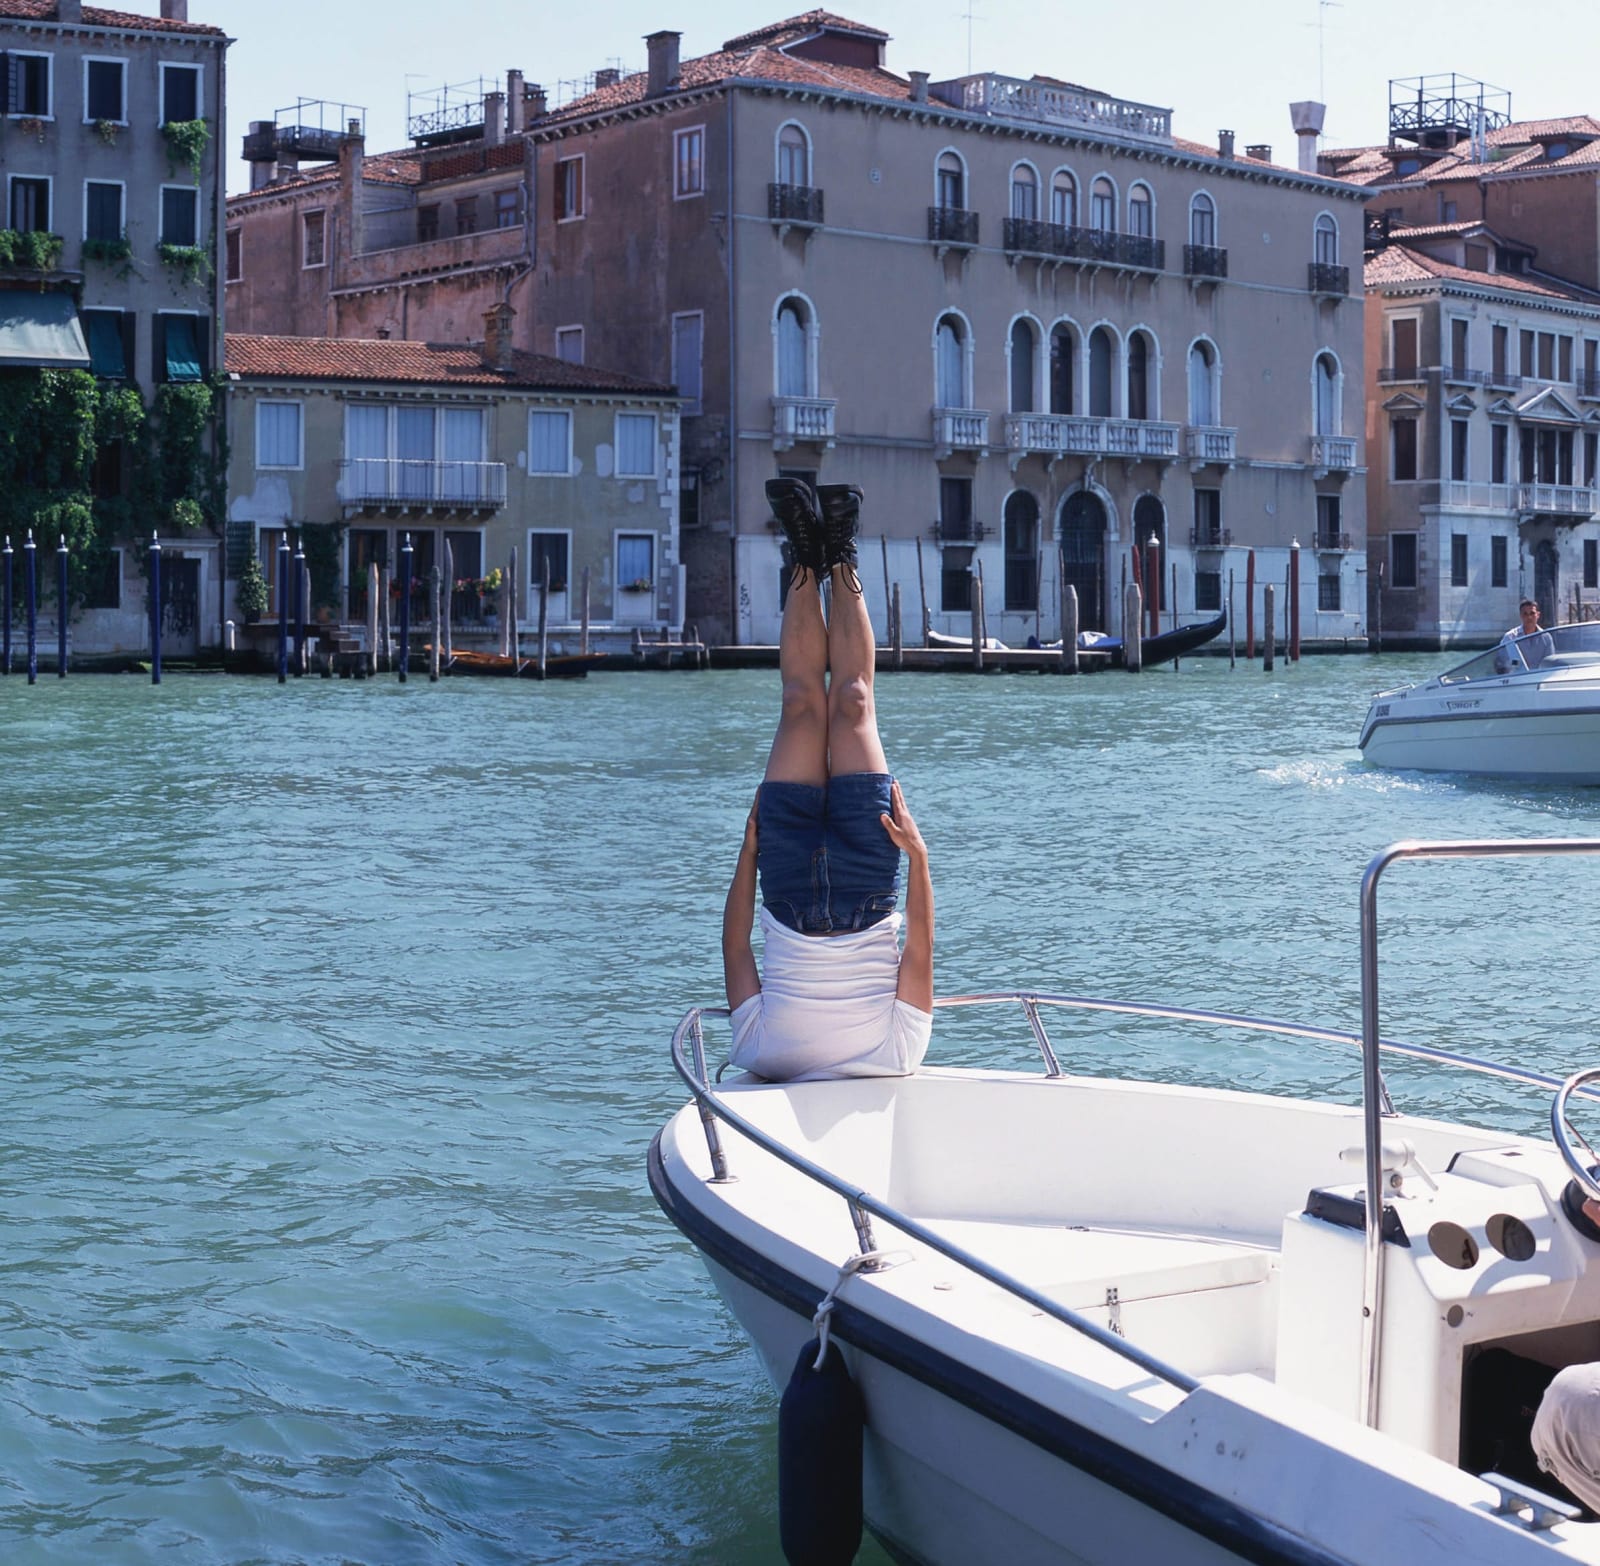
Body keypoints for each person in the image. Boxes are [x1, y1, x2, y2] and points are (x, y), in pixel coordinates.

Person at [721, 478, 934, 1082]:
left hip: (784, 879)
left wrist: (747, 852)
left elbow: (736, 947)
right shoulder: (897, 1058)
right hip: (870, 874)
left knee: (798, 703)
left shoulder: (760, 1057)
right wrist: (917, 859)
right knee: (854, 701)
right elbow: (918, 948)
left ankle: (802, 556)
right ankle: (839, 552)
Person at [1498, 599, 1554, 671]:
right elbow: (1503, 661)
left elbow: (1549, 662)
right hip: (1517, 678)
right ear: (1520, 616)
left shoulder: (1546, 638)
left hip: (1539, 677)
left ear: (1538, 615)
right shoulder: (1510, 637)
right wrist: (1518, 664)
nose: (1529, 617)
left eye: (1532, 613)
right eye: (1525, 614)